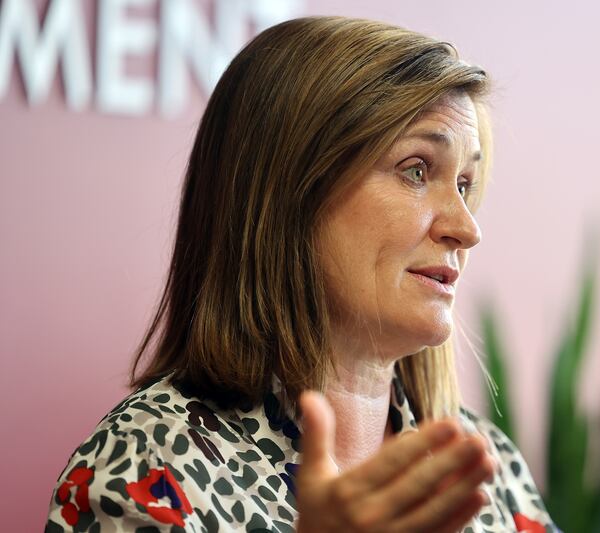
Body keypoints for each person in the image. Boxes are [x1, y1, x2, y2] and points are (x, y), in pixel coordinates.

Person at [46, 16, 558, 533]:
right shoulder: (145, 465)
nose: (466, 229)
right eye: (417, 170)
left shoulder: (485, 464)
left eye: (466, 184)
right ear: (288, 194)